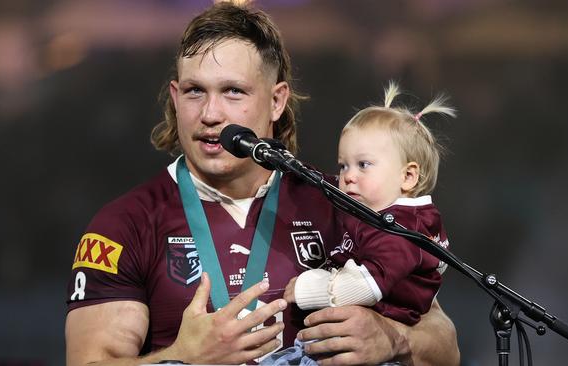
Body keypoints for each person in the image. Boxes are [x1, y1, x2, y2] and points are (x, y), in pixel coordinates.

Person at [65, 3, 459, 365]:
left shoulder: (340, 202)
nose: (210, 114)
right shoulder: (125, 224)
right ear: (175, 96)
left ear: (276, 100)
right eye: (194, 91)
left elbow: (444, 343)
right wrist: (185, 358)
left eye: (233, 91)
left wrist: (394, 338)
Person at [272, 83, 455, 364]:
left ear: (408, 177)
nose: (348, 177)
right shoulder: (379, 212)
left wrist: (307, 287)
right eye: (343, 165)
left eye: (363, 165)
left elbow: (366, 285)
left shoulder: (404, 230)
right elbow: (323, 184)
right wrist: (288, 165)